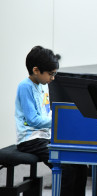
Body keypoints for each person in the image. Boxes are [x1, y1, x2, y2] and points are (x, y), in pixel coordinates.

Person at [15, 46, 88, 196]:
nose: (53, 78)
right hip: (30, 140)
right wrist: (60, 120)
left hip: (45, 137)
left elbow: (48, 113)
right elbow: (33, 120)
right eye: (51, 74)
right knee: (66, 166)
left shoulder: (44, 84)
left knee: (81, 163)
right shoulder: (25, 87)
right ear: (36, 70)